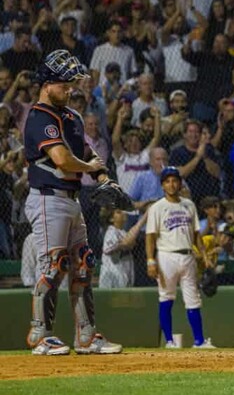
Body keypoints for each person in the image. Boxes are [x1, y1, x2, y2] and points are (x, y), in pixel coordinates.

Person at [23, 49, 123, 355]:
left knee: (82, 265)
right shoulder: (40, 117)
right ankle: (40, 334)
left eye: (70, 84)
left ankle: (86, 336)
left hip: (72, 199)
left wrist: (103, 174)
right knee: (54, 266)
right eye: (63, 85)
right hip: (46, 198)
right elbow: (63, 159)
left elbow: (87, 151)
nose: (69, 89)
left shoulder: (72, 116)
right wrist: (92, 168)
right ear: (46, 84)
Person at [145, 166, 216, 349]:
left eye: (174, 180)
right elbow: (150, 237)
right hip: (166, 256)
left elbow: (196, 234)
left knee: (193, 299)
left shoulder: (189, 205)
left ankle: (199, 341)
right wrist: (150, 260)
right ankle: (169, 341)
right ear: (162, 185)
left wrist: (204, 255)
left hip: (188, 255)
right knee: (166, 298)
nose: (171, 184)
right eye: (167, 181)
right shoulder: (157, 208)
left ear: (180, 183)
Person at [99, 210, 147, 288]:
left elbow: (130, 243)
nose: (123, 213)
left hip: (123, 270)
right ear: (111, 219)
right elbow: (107, 249)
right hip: (111, 273)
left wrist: (127, 243)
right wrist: (123, 244)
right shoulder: (111, 231)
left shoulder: (123, 232)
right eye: (118, 212)